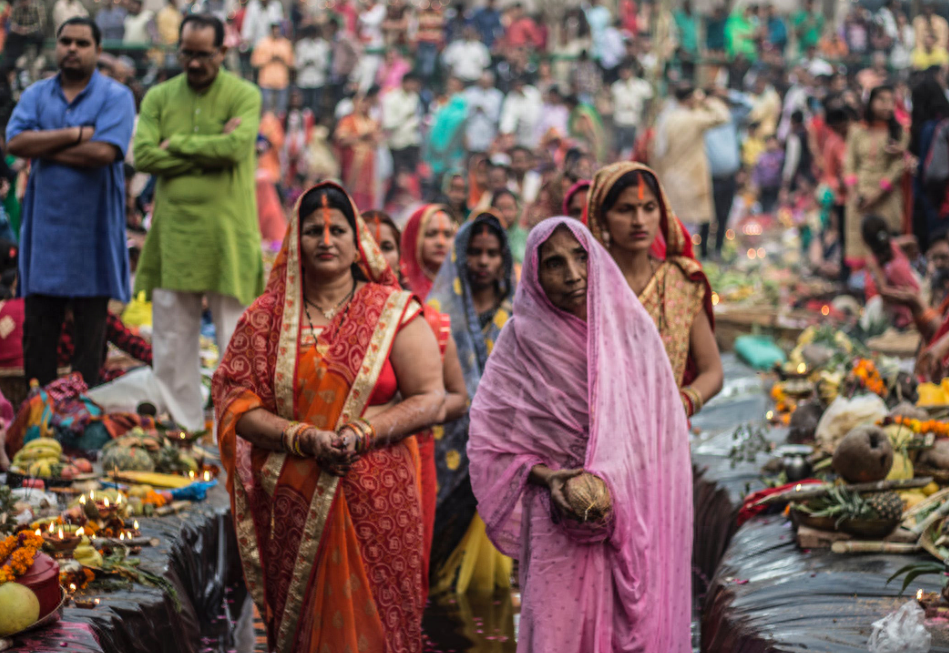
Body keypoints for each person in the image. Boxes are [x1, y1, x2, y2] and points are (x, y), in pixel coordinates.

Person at [212, 182, 447, 653]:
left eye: (337, 229)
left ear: (356, 239)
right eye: (313, 230)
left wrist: (364, 431)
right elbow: (235, 402)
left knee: (380, 625)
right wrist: (303, 438)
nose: (325, 240)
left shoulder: (392, 311)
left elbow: (430, 398)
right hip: (295, 496)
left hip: (378, 494)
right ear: (294, 240)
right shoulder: (265, 318)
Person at [467, 217, 692, 652]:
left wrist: (616, 475)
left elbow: (660, 432)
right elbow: (492, 446)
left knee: (628, 633)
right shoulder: (519, 343)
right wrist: (552, 479)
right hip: (556, 520)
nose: (571, 274)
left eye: (580, 257)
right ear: (533, 273)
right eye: (553, 263)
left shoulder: (630, 332)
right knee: (558, 635)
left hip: (629, 516)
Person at [134, 13, 263, 430]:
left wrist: (179, 144)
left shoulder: (244, 94)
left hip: (229, 233)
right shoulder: (159, 96)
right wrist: (209, 148)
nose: (193, 63)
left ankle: (239, 428)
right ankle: (184, 428)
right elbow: (144, 156)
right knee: (171, 336)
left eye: (203, 55)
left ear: (222, 52)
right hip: (175, 233)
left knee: (236, 335)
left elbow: (235, 148)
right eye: (186, 53)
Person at [6, 17, 135, 387]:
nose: (72, 49)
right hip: (45, 234)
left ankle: (84, 421)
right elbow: (15, 142)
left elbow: (105, 152)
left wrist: (43, 146)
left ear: (97, 49)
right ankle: (36, 419)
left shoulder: (116, 97)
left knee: (89, 342)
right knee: (39, 336)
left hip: (93, 234)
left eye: (82, 43)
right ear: (57, 46)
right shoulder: (36, 94)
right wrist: (76, 134)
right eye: (66, 42)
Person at [426, 211, 515, 594]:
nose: (483, 262)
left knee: (483, 585)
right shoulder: (440, 312)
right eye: (475, 252)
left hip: (500, 448)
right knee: (437, 554)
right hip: (446, 445)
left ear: (505, 259)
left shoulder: (519, 314)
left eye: (492, 253)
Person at [587, 162, 723, 409]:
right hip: (599, 431)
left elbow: (712, 371)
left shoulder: (681, 282)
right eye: (625, 209)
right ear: (601, 218)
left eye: (649, 208)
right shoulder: (586, 286)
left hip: (666, 433)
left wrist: (681, 405)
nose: (639, 221)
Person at [653, 86, 729, 244]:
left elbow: (657, 153)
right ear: (690, 99)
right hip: (690, 182)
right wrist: (707, 100)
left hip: (671, 180)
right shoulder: (693, 119)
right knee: (687, 233)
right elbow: (723, 116)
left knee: (674, 227)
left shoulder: (666, 119)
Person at [844, 85, 909, 265]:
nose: (887, 106)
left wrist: (878, 193)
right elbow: (849, 164)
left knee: (885, 249)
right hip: (859, 198)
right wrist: (853, 194)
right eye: (882, 100)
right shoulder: (857, 131)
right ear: (870, 102)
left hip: (886, 198)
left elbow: (898, 167)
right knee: (860, 246)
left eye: (891, 102)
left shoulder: (899, 132)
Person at [705, 86, 753, 259]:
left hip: (729, 177)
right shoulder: (703, 121)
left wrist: (728, 93)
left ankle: (717, 249)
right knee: (706, 216)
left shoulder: (729, 118)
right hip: (709, 177)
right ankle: (704, 251)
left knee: (723, 215)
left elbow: (749, 105)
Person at [862, 214, 921, 331]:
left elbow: (883, 290)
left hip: (905, 303)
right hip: (915, 294)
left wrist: (907, 297)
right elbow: (913, 240)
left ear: (865, 240)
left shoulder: (873, 260)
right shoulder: (895, 245)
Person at [334, 90, 381, 212]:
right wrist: (361, 137)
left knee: (368, 192)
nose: (364, 106)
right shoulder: (348, 120)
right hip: (353, 162)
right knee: (353, 191)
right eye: (361, 102)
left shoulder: (372, 121)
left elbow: (377, 140)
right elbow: (341, 140)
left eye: (366, 102)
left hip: (369, 163)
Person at [400, 204, 457, 300]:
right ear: (413, 238)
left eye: (447, 235)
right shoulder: (401, 287)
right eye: (431, 234)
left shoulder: (461, 286)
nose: (441, 242)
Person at [381, 72, 421, 175]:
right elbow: (388, 124)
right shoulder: (391, 99)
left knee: (412, 176)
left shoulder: (414, 97)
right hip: (397, 144)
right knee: (397, 177)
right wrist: (404, 117)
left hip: (412, 141)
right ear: (404, 83)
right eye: (411, 83)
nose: (414, 86)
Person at [611, 63, 653, 161]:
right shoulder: (616, 87)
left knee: (634, 148)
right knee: (620, 149)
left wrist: (645, 120)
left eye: (627, 70)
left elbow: (648, 103)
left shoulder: (642, 86)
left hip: (635, 120)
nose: (625, 73)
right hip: (620, 121)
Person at [251, 22, 293, 116]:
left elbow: (291, 63)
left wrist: (282, 59)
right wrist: (269, 59)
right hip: (266, 81)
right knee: (267, 111)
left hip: (281, 81)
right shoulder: (262, 43)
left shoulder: (285, 44)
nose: (276, 32)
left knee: (281, 112)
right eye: (274, 29)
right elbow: (254, 62)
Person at [465, 71, 503, 154]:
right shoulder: (469, 93)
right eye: (482, 81)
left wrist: (485, 110)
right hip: (472, 130)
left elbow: (496, 117)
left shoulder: (497, 95)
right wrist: (474, 109)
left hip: (489, 131)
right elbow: (465, 114)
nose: (484, 84)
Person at [294, 24, 329, 115]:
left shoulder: (323, 45)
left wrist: (315, 61)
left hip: (317, 80)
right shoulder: (301, 45)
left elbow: (324, 65)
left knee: (316, 105)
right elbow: (297, 64)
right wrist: (306, 61)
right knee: (304, 104)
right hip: (304, 80)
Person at [492, 189, 527, 266]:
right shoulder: (486, 235)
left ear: (517, 210)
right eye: (500, 209)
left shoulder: (526, 236)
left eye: (510, 208)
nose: (505, 214)